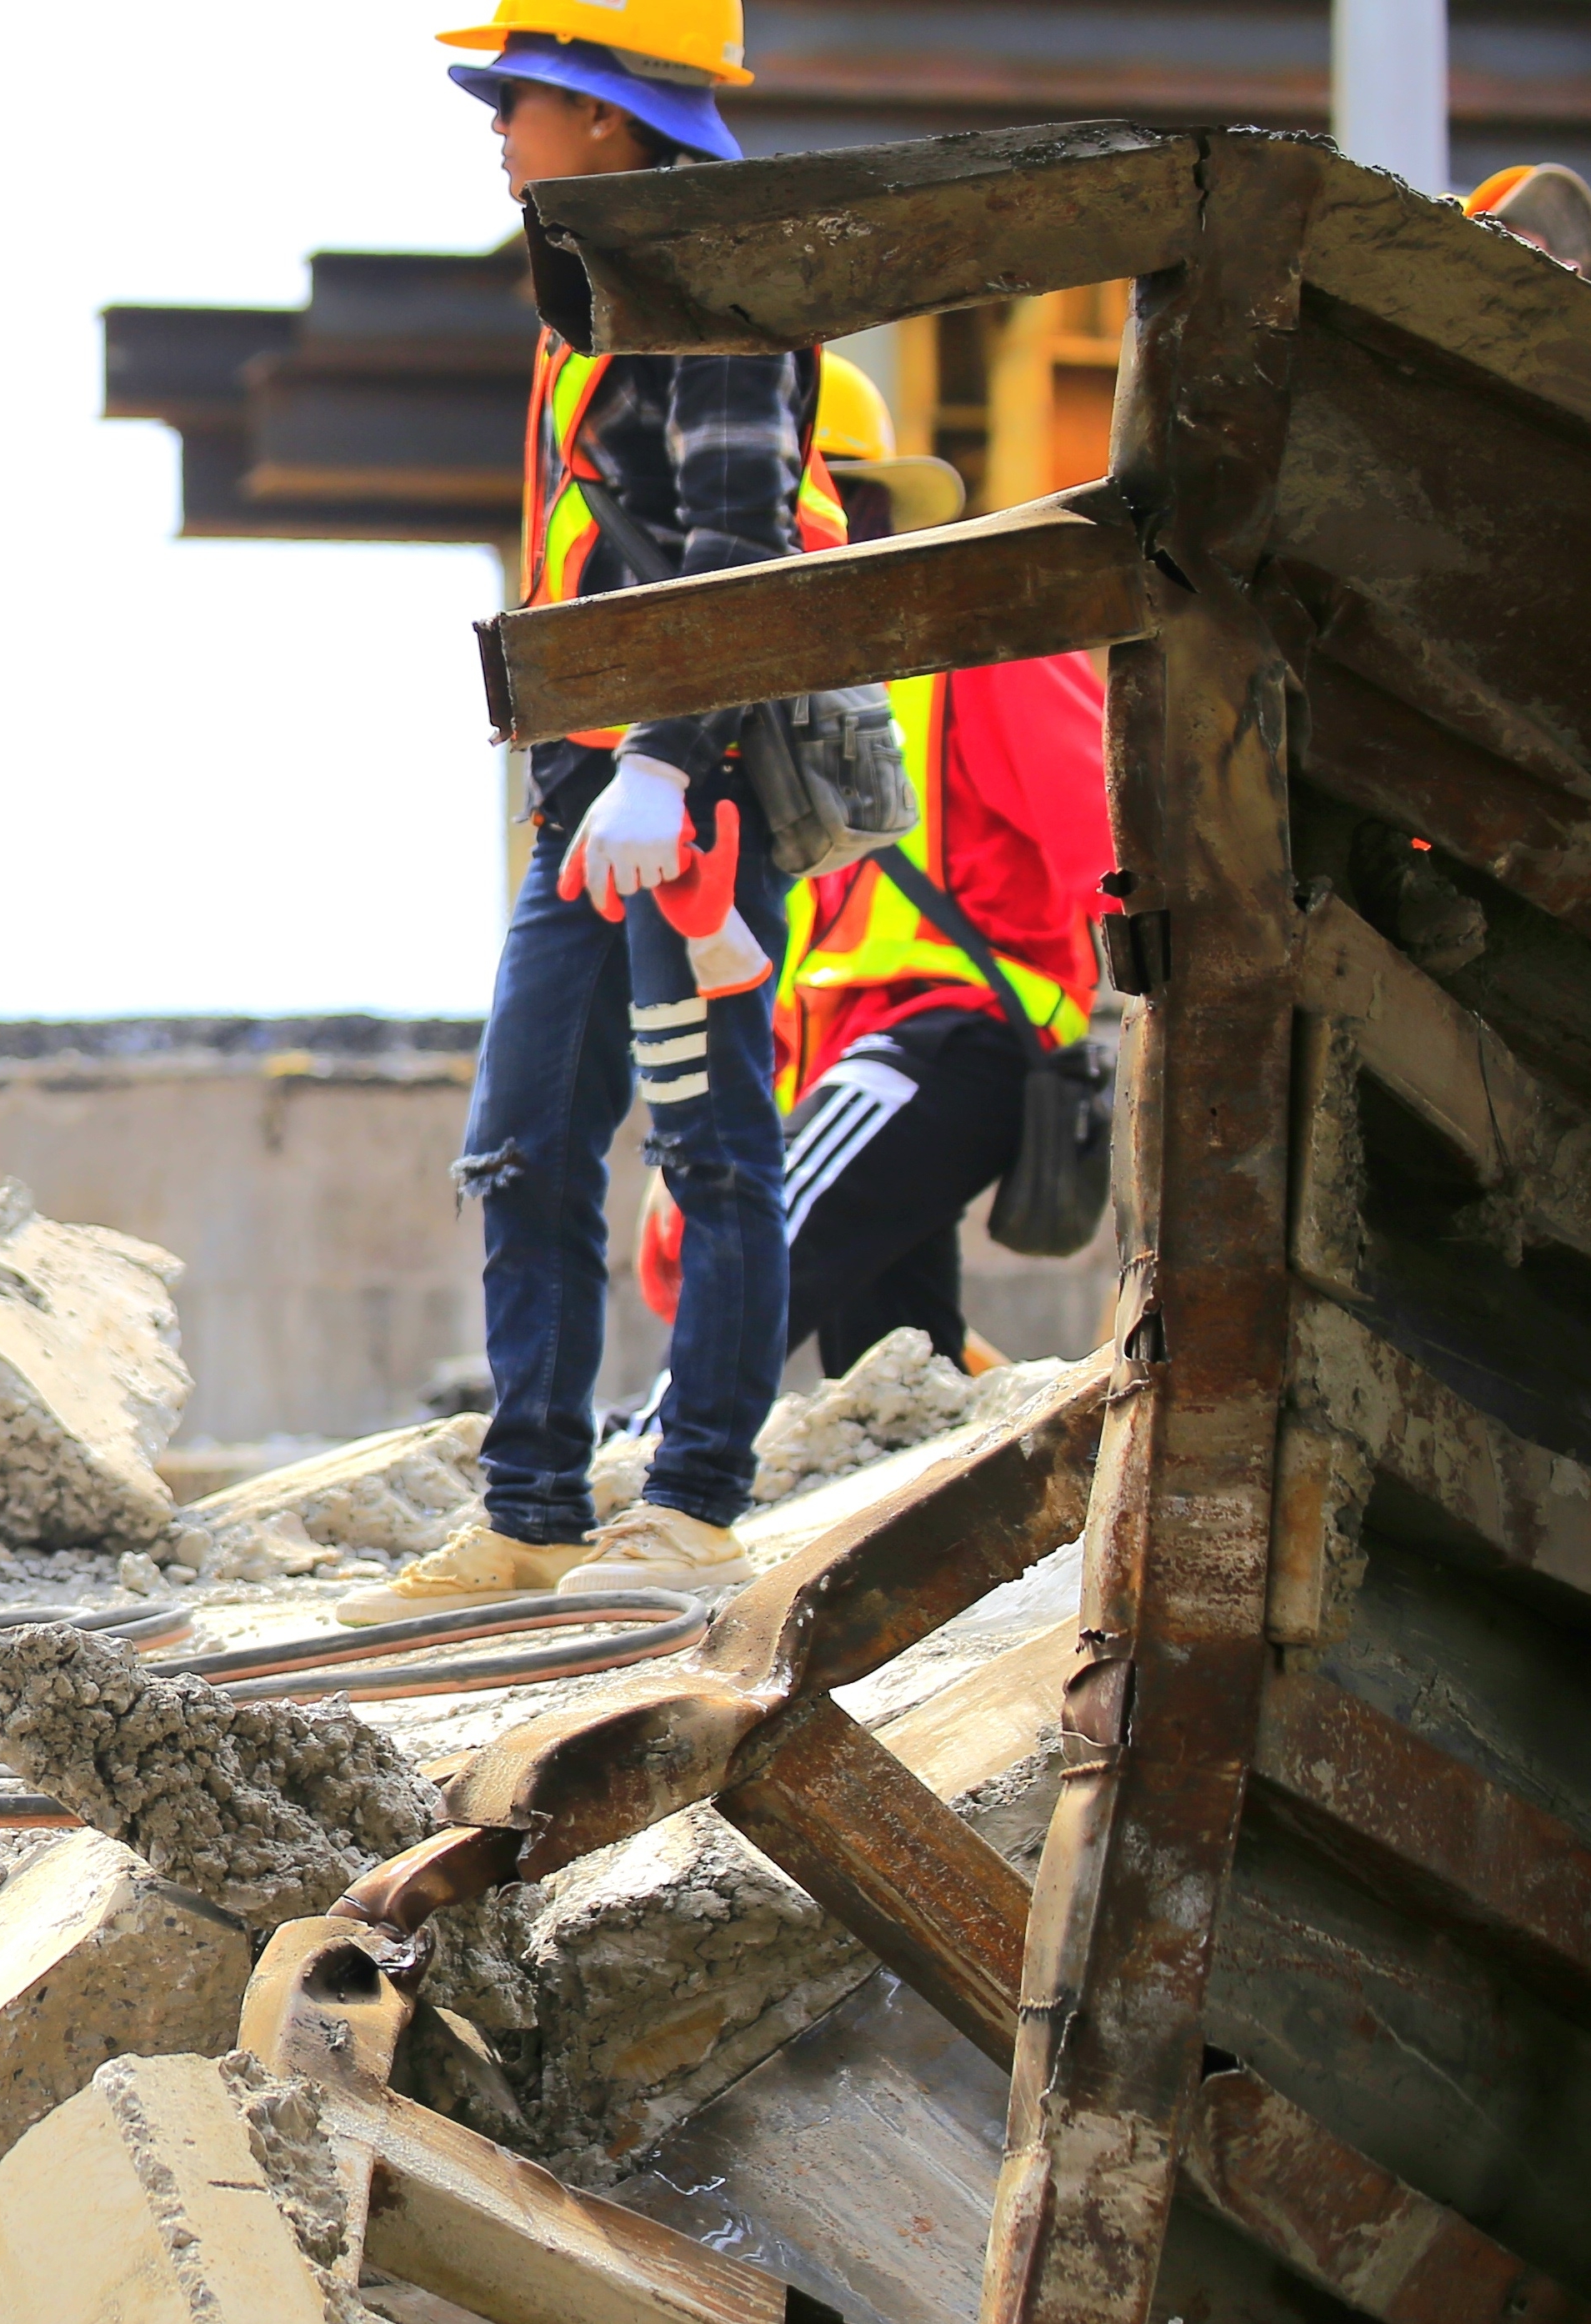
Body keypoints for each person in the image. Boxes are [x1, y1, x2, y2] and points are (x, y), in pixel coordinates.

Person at [342, 0, 838, 1628]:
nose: (499, 128)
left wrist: (671, 760)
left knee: (710, 1144)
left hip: (687, 799)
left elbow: (740, 549)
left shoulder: (713, 287)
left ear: (604, 115)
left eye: (519, 98)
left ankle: (691, 1502)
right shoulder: (599, 292)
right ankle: (534, 1510)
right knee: (526, 1146)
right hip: (589, 796)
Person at [633, 360, 1113, 1379]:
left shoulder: (985, 645)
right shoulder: (783, 716)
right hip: (867, 1058)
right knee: (894, 1370)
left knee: (748, 1261)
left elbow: (1112, 846)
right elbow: (797, 965)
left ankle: (656, 1456)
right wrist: (712, 1133)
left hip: (960, 1034)